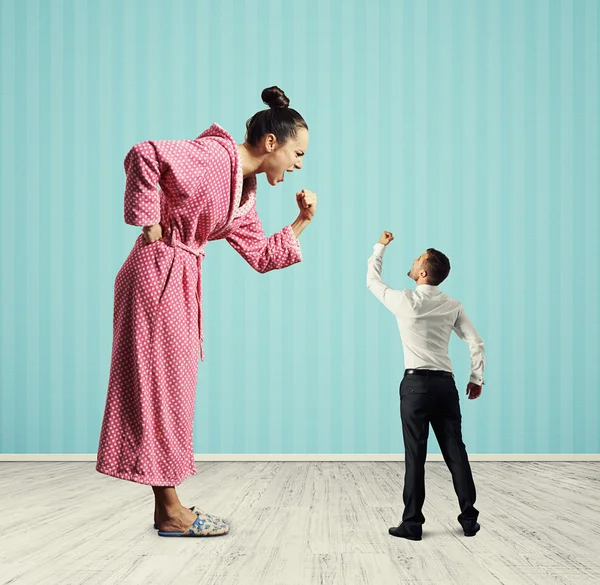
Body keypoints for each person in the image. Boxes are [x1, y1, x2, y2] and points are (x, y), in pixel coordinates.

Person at [96, 87, 317, 537]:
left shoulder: (244, 189)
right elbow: (144, 154)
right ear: (271, 143)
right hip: (158, 271)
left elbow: (261, 255)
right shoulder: (216, 158)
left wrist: (302, 223)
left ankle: (167, 507)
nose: (298, 165)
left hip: (178, 277)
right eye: (297, 153)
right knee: (160, 388)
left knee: (172, 389)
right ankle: (172, 510)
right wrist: (150, 220)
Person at [366, 230, 485, 541]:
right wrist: (476, 378)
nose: (414, 260)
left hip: (416, 385)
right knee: (456, 451)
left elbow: (372, 281)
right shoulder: (452, 305)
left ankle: (412, 524)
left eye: (417, 258)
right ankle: (469, 519)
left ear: (422, 272)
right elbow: (475, 341)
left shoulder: (405, 300)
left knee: (415, 454)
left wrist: (380, 247)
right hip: (446, 386)